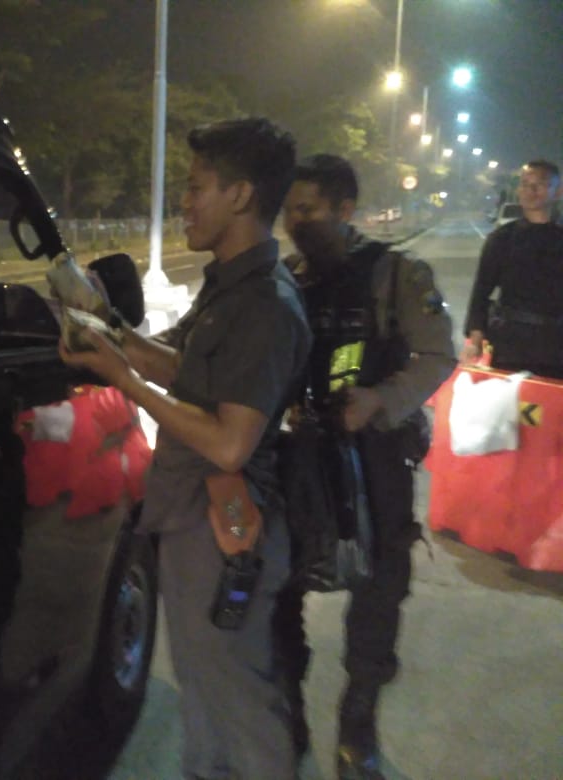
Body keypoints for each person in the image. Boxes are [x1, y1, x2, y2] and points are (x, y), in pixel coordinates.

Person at [60, 117, 311, 779]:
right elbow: (185, 369)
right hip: (192, 514)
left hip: (226, 524)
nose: (185, 202)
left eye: (197, 187)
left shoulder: (266, 304)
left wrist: (123, 380)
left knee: (240, 700)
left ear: (240, 195)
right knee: (202, 685)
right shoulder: (231, 286)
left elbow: (230, 443)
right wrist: (110, 332)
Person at [275, 154, 456, 779]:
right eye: (289, 210)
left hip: (374, 454)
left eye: (307, 210)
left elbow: (437, 354)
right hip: (298, 454)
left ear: (344, 210)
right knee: (281, 580)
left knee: (379, 585)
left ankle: (359, 718)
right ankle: (287, 708)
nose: (294, 222)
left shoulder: (396, 274)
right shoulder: (285, 277)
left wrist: (380, 399)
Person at [462, 159, 563, 378]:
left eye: (540, 184)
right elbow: (481, 292)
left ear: (558, 191)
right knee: (511, 399)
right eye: (525, 184)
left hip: (557, 345)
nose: (531, 190)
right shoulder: (502, 239)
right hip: (511, 345)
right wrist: (475, 341)